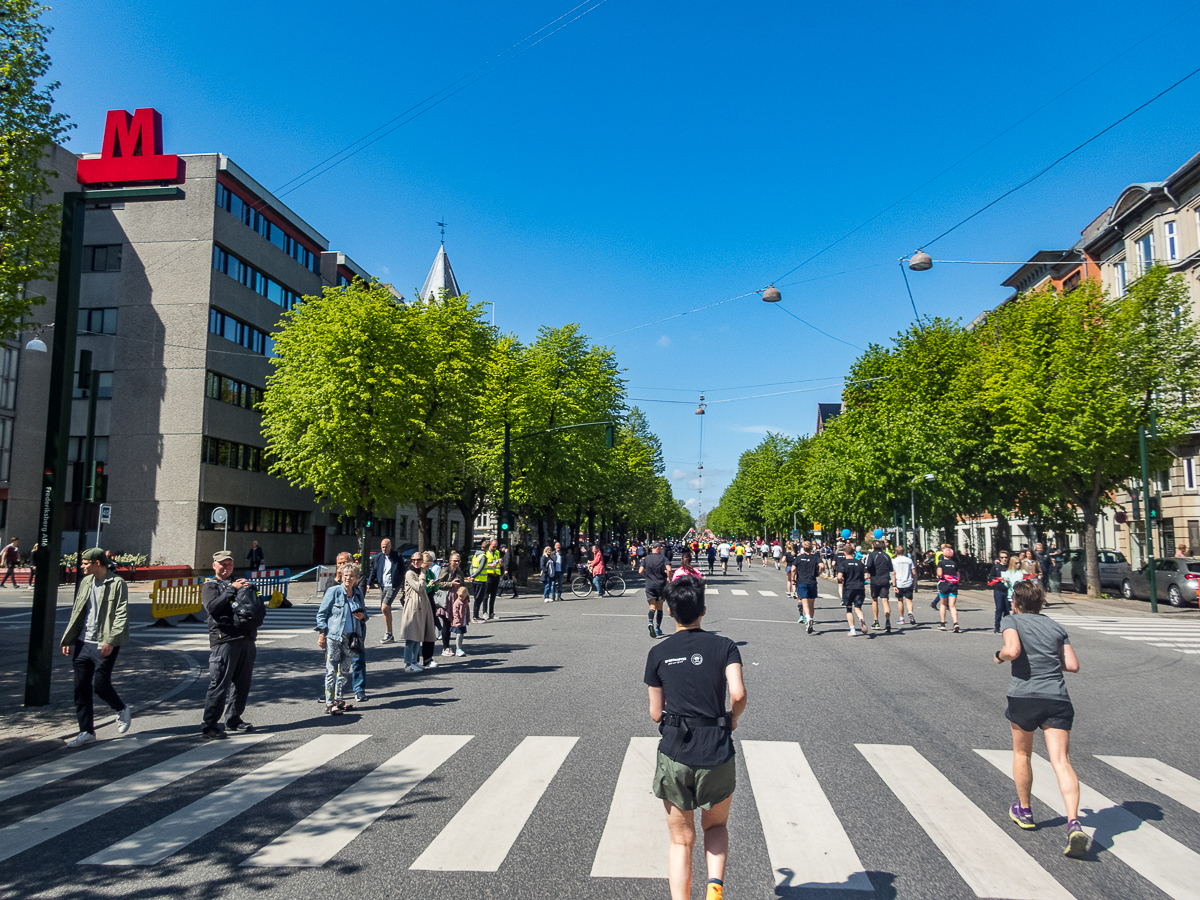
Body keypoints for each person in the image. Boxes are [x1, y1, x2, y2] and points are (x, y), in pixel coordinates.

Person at [644, 575, 747, 900]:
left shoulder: (658, 653)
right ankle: (714, 888)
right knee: (715, 827)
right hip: (716, 750)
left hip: (675, 752)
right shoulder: (725, 646)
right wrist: (731, 719)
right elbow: (738, 693)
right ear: (703, 609)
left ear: (671, 612)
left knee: (681, 839)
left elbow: (656, 714)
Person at [995, 580, 1088, 858]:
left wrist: (999, 657)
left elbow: (1012, 651)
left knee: (1022, 754)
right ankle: (1073, 822)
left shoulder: (1012, 621)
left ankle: (1025, 811)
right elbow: (1072, 665)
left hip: (1025, 696)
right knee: (1062, 761)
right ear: (1041, 603)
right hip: (1057, 698)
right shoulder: (1056, 627)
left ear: (1016, 602)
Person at [59, 548, 131, 747]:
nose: (82, 566)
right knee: (80, 688)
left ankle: (121, 708)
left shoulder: (117, 583)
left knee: (100, 686)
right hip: (83, 643)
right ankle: (86, 732)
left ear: (97, 563)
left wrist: (110, 640)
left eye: (85, 563)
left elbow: (121, 614)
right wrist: (69, 639)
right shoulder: (85, 582)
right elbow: (77, 612)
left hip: (105, 642)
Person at [200, 549, 261, 739]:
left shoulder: (241, 582)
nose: (226, 567)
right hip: (224, 640)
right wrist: (232, 589)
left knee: (242, 684)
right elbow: (213, 608)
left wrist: (250, 590)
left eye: (229, 564)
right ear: (214, 565)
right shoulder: (210, 586)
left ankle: (234, 719)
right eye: (222, 564)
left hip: (246, 638)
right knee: (219, 684)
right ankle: (210, 725)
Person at [316, 562, 367, 714]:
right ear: (341, 576)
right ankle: (329, 703)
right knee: (331, 669)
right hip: (333, 636)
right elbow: (321, 614)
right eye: (345, 575)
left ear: (356, 578)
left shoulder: (357, 593)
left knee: (344, 670)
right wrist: (322, 634)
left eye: (351, 576)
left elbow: (365, 614)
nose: (348, 578)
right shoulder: (333, 591)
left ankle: (339, 699)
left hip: (351, 637)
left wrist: (363, 616)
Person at [400, 553, 435, 672]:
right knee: (411, 637)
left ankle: (414, 661)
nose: (416, 562)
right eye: (413, 560)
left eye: (418, 560)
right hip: (412, 607)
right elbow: (419, 588)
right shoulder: (410, 573)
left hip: (420, 607)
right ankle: (408, 664)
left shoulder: (419, 572)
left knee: (417, 636)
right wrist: (423, 575)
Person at [369, 538, 402, 644]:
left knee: (384, 607)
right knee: (385, 609)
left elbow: (403, 570)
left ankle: (388, 633)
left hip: (393, 585)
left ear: (390, 546)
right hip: (382, 585)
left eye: (386, 546)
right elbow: (374, 570)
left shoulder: (397, 556)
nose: (384, 549)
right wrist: (369, 583)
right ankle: (390, 633)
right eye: (382, 547)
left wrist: (403, 584)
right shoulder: (379, 557)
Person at [433, 552, 466, 655]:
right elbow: (439, 583)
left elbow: (463, 585)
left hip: (457, 600)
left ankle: (458, 647)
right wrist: (451, 584)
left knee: (458, 623)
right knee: (446, 623)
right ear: (450, 561)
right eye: (455, 560)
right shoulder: (445, 570)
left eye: (458, 561)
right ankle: (445, 648)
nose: (457, 562)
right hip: (446, 600)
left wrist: (465, 598)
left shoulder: (459, 571)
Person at [640, 541, 672, 639]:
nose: (662, 549)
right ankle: (658, 628)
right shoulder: (663, 558)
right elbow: (669, 569)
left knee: (652, 607)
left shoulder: (646, 559)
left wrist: (646, 575)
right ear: (657, 548)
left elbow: (640, 571)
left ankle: (650, 622)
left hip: (649, 585)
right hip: (660, 585)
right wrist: (669, 579)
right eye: (661, 548)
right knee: (659, 608)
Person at [838, 545, 869, 636]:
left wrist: (842, 579)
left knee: (849, 609)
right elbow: (867, 576)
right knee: (858, 608)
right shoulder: (859, 563)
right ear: (853, 552)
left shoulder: (843, 563)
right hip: (859, 587)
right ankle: (861, 619)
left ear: (844, 553)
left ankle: (852, 630)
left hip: (849, 588)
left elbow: (839, 576)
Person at [865, 540, 894, 632]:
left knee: (874, 600)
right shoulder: (886, 556)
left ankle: (876, 621)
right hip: (885, 579)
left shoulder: (872, 555)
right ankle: (888, 621)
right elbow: (891, 568)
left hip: (875, 580)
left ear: (873, 546)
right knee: (885, 601)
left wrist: (868, 573)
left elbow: (868, 566)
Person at [793, 540, 820, 634]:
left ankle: (807, 618)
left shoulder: (799, 558)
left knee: (805, 603)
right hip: (812, 582)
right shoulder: (815, 557)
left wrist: (793, 579)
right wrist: (819, 572)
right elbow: (821, 565)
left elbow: (793, 569)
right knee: (812, 604)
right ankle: (811, 619)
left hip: (802, 582)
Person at [936, 544, 961, 633]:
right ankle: (955, 623)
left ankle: (942, 624)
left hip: (944, 585)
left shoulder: (941, 563)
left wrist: (938, 576)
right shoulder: (954, 563)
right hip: (953, 585)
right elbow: (958, 575)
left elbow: (939, 574)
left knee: (943, 604)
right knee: (952, 605)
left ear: (944, 554)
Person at [987, 550, 1013, 634]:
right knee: (999, 608)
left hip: (1008, 590)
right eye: (1002, 557)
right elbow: (991, 577)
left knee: (1007, 610)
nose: (1004, 559)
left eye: (1005, 557)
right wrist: (998, 579)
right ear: (999, 558)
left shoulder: (1010, 567)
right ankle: (997, 627)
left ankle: (1006, 626)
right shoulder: (996, 567)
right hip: (998, 590)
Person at [891, 545, 917, 626]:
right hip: (908, 582)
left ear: (896, 552)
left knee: (900, 600)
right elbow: (914, 572)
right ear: (903, 552)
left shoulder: (894, 561)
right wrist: (914, 582)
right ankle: (910, 612)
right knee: (909, 600)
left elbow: (893, 573)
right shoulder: (909, 560)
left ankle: (901, 618)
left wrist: (894, 585)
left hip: (899, 583)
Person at [448, 585, 471, 656]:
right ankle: (458, 649)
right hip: (458, 622)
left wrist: (467, 619)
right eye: (459, 596)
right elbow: (455, 613)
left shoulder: (465, 602)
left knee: (461, 635)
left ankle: (460, 648)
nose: (461, 598)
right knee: (459, 635)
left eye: (462, 597)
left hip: (463, 621)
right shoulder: (457, 603)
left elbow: (467, 612)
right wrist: (457, 621)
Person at [469, 540, 489, 621]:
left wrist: (471, 576)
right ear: (487, 548)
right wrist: (473, 576)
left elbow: (471, 567)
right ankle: (475, 616)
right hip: (481, 580)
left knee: (476, 598)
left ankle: (475, 615)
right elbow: (480, 569)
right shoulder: (483, 556)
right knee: (479, 598)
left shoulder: (476, 555)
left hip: (475, 580)